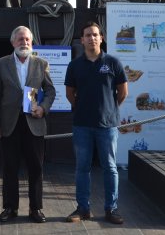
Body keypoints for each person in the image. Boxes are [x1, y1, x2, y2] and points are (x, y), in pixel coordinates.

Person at [0, 26, 56, 224]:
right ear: (13, 43)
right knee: (10, 167)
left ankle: (36, 208)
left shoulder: (41, 64)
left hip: (34, 123)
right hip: (9, 124)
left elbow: (50, 91)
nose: (24, 43)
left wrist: (43, 108)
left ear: (31, 42)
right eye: (20, 39)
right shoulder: (0, 64)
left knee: (36, 167)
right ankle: (10, 207)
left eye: (27, 39)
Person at [64, 22, 128, 225]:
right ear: (81, 40)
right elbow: (70, 94)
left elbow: (123, 92)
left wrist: (109, 109)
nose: (92, 38)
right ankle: (83, 208)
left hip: (107, 126)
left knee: (110, 167)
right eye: (87, 35)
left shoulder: (113, 62)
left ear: (101, 38)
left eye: (95, 34)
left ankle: (112, 209)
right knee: (82, 168)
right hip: (82, 124)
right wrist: (84, 108)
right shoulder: (74, 65)